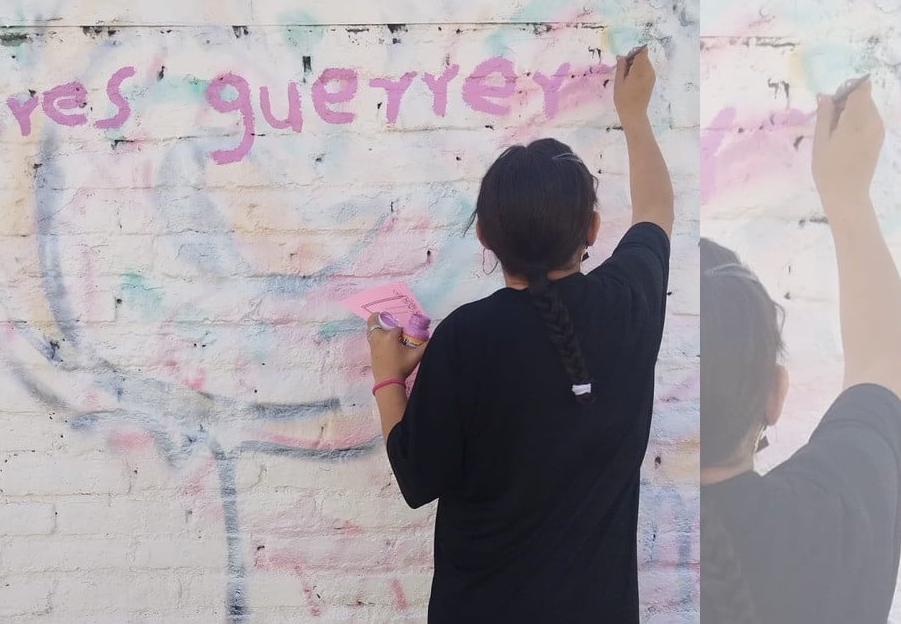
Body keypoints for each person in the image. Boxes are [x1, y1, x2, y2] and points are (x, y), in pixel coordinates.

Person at [364, 47, 674, 621]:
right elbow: (656, 212)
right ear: (592, 229)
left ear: (484, 237)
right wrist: (634, 113)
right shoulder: (629, 305)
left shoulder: (466, 338)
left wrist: (387, 377)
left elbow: (416, 478)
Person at [700, 80, 901, 623]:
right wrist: (847, 194)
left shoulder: (582, 540)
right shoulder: (833, 523)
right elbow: (884, 364)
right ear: (776, 394)